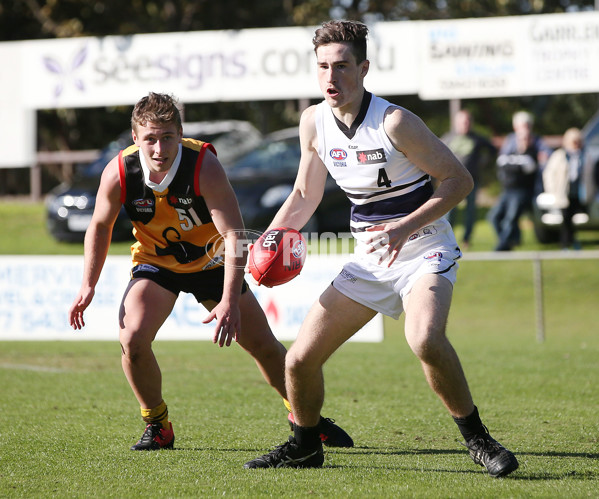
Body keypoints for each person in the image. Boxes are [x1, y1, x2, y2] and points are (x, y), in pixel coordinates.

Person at [244, 20, 519, 478]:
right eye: (323, 67)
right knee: (298, 360)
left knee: (424, 339)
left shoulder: (395, 121)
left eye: (343, 66)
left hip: (424, 246)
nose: (332, 78)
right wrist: (271, 239)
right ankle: (306, 444)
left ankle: (478, 439)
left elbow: (459, 181)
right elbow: (304, 196)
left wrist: (402, 227)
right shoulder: (312, 121)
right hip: (370, 259)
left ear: (364, 68)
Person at [68, 92, 353, 451]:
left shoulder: (203, 165)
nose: (159, 148)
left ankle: (306, 418)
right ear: (136, 139)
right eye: (150, 139)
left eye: (168, 137)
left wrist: (230, 300)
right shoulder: (120, 171)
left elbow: (235, 236)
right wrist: (87, 285)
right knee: (132, 339)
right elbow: (99, 226)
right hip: (157, 264)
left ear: (180, 134)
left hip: (214, 263)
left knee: (264, 347)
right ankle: (157, 424)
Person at [488, 111, 551, 251]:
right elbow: (501, 163)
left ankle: (502, 247)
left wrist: (514, 163)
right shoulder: (510, 140)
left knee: (511, 219)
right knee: (494, 217)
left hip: (524, 190)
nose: (525, 131)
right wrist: (516, 164)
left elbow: (533, 165)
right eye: (522, 126)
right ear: (515, 127)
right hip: (507, 189)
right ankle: (510, 241)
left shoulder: (537, 143)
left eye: (527, 126)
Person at [441, 109, 497, 248]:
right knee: (449, 211)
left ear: (471, 123)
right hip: (451, 182)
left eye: (467, 121)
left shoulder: (477, 138)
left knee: (470, 212)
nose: (465, 124)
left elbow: (493, 150)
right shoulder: (447, 138)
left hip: (472, 181)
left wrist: (484, 162)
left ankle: (467, 239)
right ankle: (448, 238)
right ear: (456, 123)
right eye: (462, 121)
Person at [542, 127, 589, 249]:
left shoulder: (584, 156)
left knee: (576, 218)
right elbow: (549, 174)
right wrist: (552, 190)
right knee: (566, 219)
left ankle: (573, 240)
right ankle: (565, 243)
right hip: (564, 193)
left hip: (579, 192)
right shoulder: (560, 155)